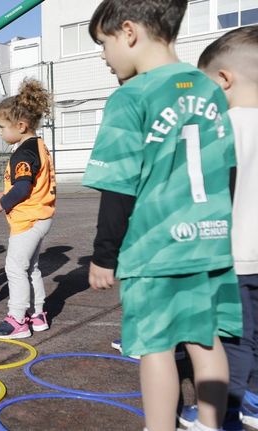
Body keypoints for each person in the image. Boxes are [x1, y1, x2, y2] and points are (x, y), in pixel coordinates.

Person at [83, 1, 241, 430]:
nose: (103, 56)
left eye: (104, 43)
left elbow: (118, 187)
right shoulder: (209, 89)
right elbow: (227, 169)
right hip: (208, 241)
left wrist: (104, 255)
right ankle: (210, 424)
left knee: (156, 346)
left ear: (129, 32)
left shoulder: (130, 96)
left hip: (155, 248)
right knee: (206, 340)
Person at [179, 26, 258, 431]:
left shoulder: (222, 128)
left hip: (235, 255)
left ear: (224, 79)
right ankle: (254, 402)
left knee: (231, 339)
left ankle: (226, 413)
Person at [0, 78, 55, 338]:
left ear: (21, 126)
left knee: (14, 268)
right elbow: (29, 184)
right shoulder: (38, 146)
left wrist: (2, 202)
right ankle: (37, 315)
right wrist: (11, 193)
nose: (0, 132)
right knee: (31, 267)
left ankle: (17, 319)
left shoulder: (23, 153)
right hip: (40, 215)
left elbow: (24, 187)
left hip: (28, 220)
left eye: (2, 127)